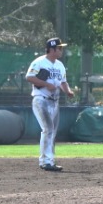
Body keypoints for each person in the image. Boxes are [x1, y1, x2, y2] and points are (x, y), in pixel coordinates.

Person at [25, 37, 75, 172]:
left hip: (54, 102)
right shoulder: (40, 62)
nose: (61, 51)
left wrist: (68, 91)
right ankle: (45, 161)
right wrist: (46, 84)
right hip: (41, 99)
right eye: (59, 48)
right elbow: (29, 77)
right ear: (51, 49)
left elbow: (63, 82)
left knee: (52, 132)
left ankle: (50, 160)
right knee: (48, 129)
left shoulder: (59, 65)